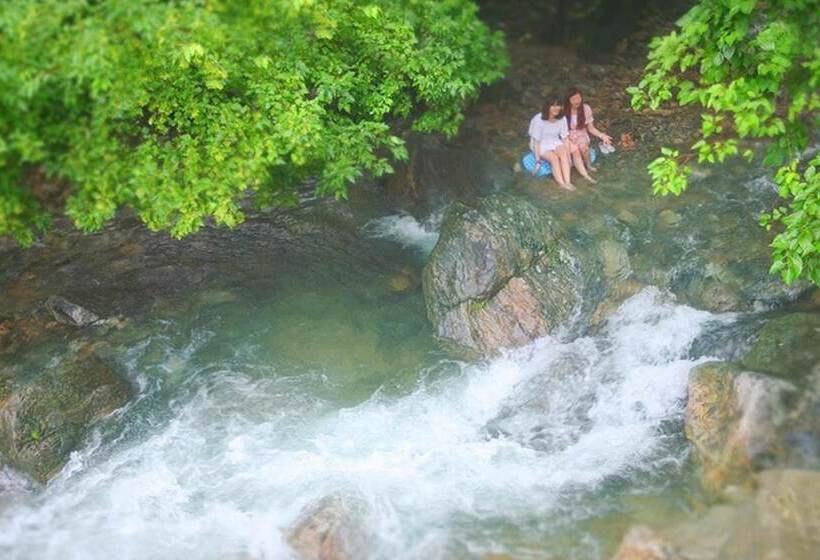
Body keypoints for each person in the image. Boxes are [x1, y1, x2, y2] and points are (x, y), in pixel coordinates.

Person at [564, 88, 612, 183]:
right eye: (574, 99)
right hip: (567, 136)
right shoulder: (563, 111)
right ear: (568, 100)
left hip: (581, 134)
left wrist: (602, 136)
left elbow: (591, 128)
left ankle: (588, 165)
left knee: (583, 147)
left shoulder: (586, 108)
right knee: (574, 149)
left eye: (579, 98)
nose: (577, 101)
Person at [528, 95, 575, 190]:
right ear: (547, 107)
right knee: (554, 158)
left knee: (563, 152)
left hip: (554, 141)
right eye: (553, 105)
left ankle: (568, 182)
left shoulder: (562, 118)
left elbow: (565, 138)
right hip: (540, 144)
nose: (556, 108)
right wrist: (538, 161)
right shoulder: (539, 119)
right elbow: (536, 142)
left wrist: (569, 157)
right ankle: (562, 184)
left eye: (558, 105)